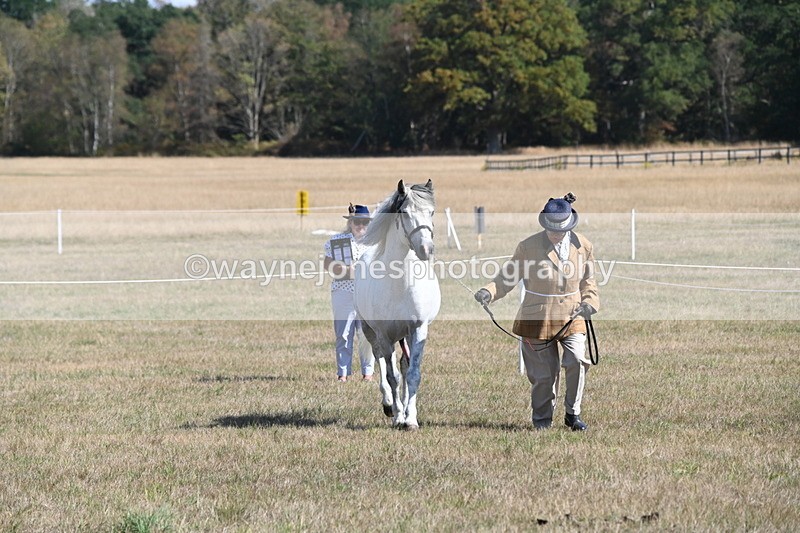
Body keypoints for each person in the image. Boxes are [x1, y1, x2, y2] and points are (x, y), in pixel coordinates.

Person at [474, 193, 599, 430]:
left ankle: (573, 413)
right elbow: (506, 277)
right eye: (550, 229)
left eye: (559, 230)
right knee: (544, 376)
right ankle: (542, 420)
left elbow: (589, 281)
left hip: (572, 316)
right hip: (536, 318)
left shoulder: (584, 246)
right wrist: (488, 291)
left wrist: (590, 302)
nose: (554, 234)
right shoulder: (528, 247)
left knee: (577, 360)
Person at [323, 204, 376, 382]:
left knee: (367, 335)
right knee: (343, 334)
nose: (361, 226)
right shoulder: (337, 241)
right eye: (357, 222)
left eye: (364, 223)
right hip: (343, 293)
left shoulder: (374, 243)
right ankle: (343, 374)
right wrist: (347, 270)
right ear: (350, 222)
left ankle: (368, 373)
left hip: (367, 294)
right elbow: (328, 265)